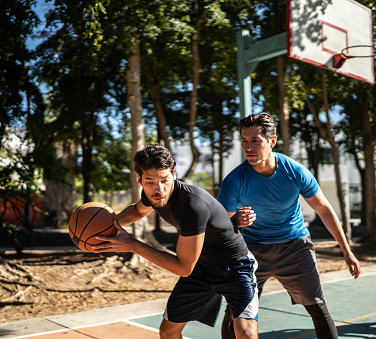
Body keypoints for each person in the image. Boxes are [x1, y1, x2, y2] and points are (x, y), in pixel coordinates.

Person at [217, 113, 361, 339]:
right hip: (253, 249)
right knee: (236, 314)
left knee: (318, 308)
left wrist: (347, 250)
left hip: (294, 246)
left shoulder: (295, 171)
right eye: (245, 141)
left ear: (272, 142)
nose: (249, 147)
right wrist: (235, 222)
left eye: (256, 140)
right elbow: (220, 226)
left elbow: (324, 209)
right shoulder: (234, 180)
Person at [93, 144, 258, 339]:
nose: (159, 189)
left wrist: (132, 245)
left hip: (235, 267)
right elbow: (138, 211)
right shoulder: (151, 196)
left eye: (164, 180)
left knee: (245, 333)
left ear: (174, 174)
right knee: (168, 332)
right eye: (150, 181)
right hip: (201, 268)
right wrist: (106, 228)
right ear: (140, 180)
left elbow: (183, 268)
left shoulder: (192, 207)